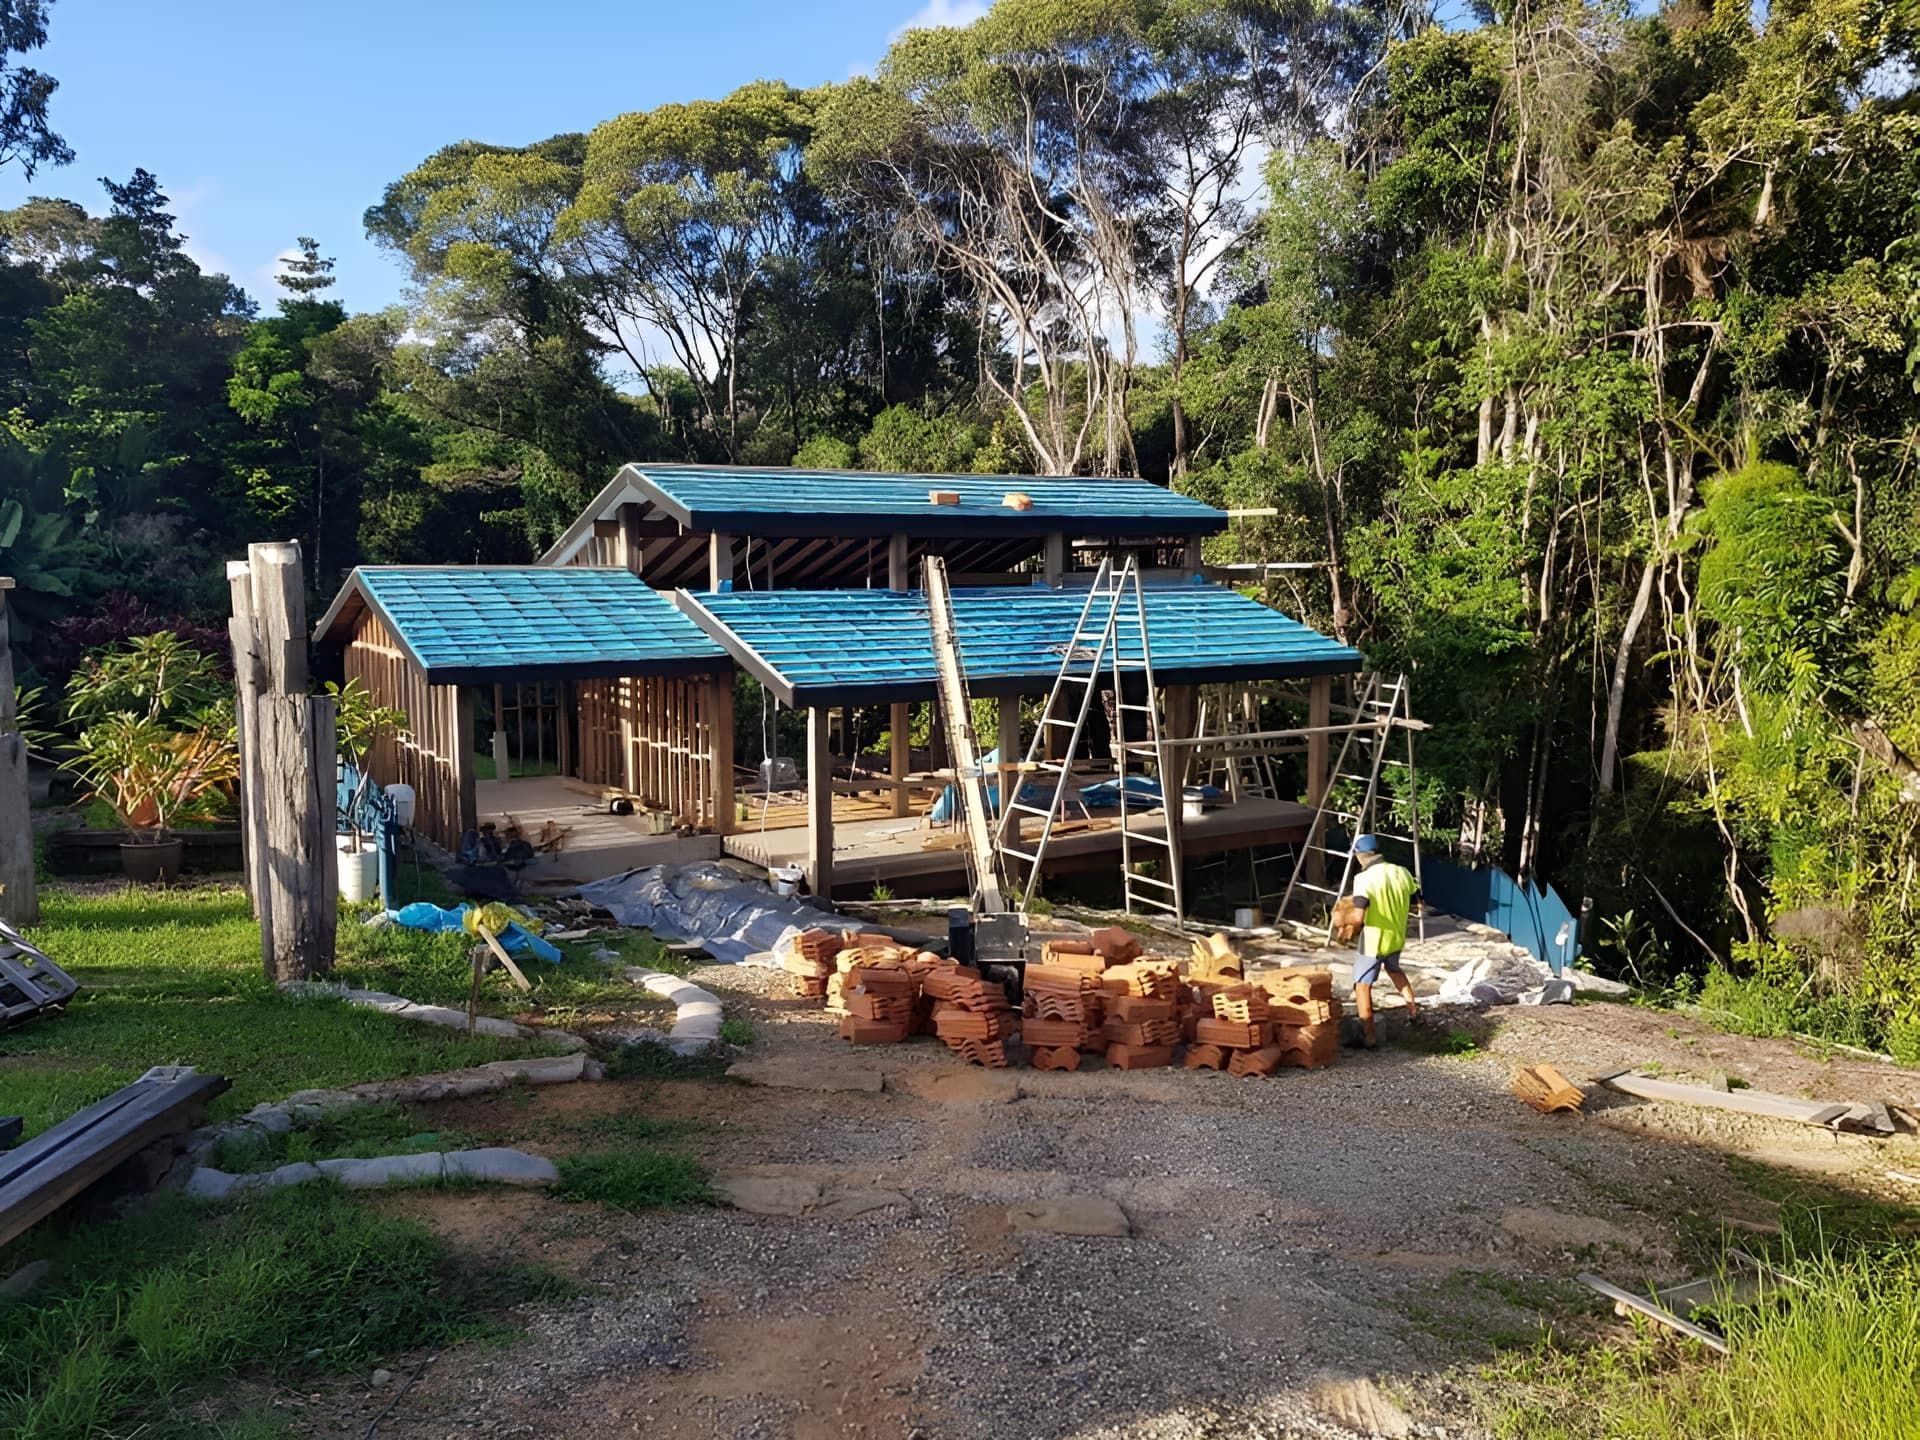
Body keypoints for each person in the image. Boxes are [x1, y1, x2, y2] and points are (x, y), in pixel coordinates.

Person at [1347, 834, 1420, 1047]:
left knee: (1362, 986)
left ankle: (1369, 1037)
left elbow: (1358, 917)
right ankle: (1413, 1011)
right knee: (1395, 971)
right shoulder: (1402, 872)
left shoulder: (1363, 879)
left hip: (1373, 941)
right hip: (1396, 937)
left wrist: (1342, 919)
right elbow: (1418, 903)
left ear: (1360, 855)